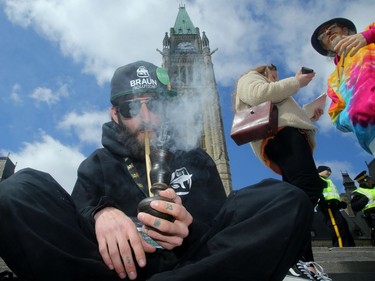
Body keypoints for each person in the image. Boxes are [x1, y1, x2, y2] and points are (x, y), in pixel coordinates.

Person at [0, 60, 314, 281]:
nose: (146, 117)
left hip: (191, 266)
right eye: (132, 108)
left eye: (156, 105)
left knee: (285, 197)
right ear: (115, 114)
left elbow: (219, 230)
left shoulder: (196, 158)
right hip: (108, 269)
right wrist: (99, 214)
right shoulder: (97, 164)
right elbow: (75, 216)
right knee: (18, 190)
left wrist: (188, 230)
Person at [234, 64, 330, 281]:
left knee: (299, 194)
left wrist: (308, 114)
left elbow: (284, 115)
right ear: (263, 71)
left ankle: (304, 265)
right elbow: (260, 95)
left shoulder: (274, 91)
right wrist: (297, 82)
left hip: (286, 134)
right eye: (273, 75)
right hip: (282, 137)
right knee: (309, 187)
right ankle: (286, 253)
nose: (276, 79)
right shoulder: (249, 77)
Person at [311, 18, 375, 156]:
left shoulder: (370, 36)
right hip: (371, 135)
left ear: (346, 29)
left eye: (332, 27)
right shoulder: (334, 79)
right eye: (323, 35)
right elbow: (335, 114)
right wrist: (353, 115)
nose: (328, 32)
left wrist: (369, 36)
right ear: (325, 47)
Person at [317, 166, 355, 247]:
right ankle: (341, 246)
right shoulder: (318, 179)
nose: (329, 173)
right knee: (336, 225)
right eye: (328, 170)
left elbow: (333, 195)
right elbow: (316, 192)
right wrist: (323, 201)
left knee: (342, 224)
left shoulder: (328, 181)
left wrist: (340, 203)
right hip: (328, 206)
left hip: (334, 206)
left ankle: (348, 245)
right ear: (321, 171)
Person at [351, 170, 375, 246]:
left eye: (370, 179)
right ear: (362, 182)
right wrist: (364, 199)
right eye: (368, 180)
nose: (370, 181)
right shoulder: (357, 192)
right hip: (372, 213)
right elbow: (354, 207)